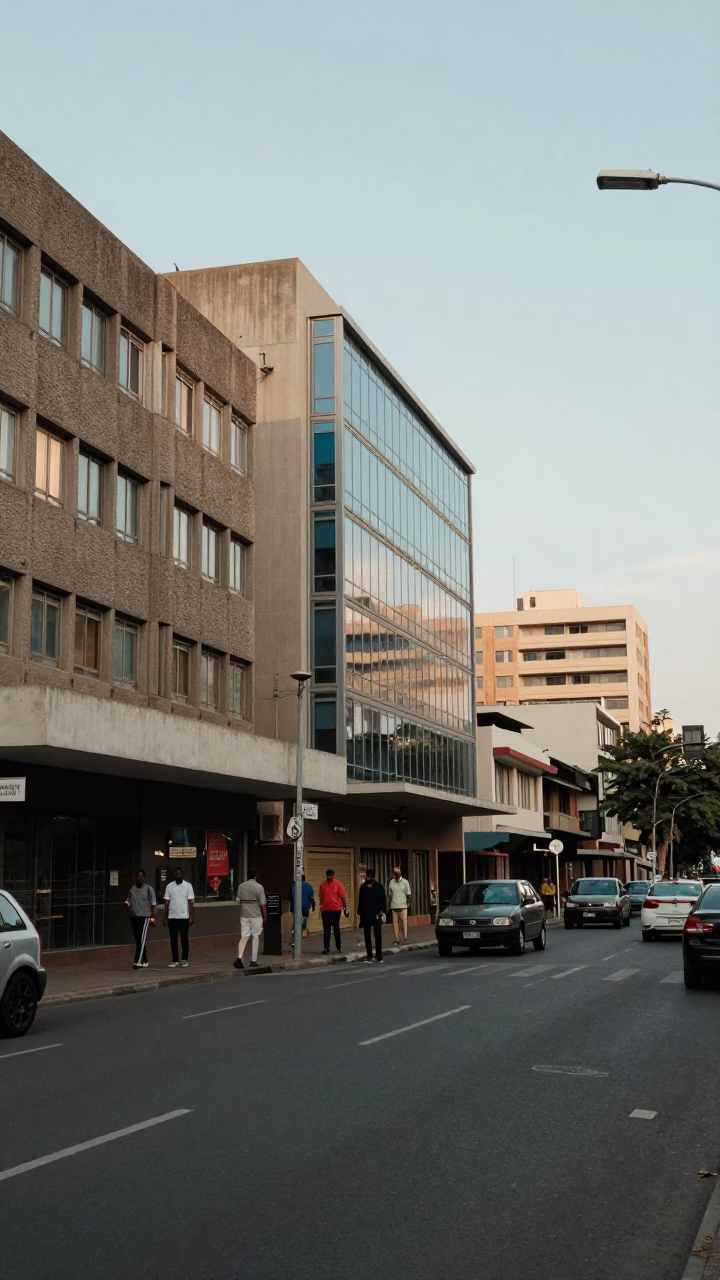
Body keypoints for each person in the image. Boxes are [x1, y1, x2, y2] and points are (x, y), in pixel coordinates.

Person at [234, 868, 267, 970]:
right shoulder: (259, 887)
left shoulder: (241, 886)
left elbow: (238, 899)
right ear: (256, 876)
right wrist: (265, 916)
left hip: (244, 913)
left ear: (247, 876)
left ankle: (239, 958)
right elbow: (262, 903)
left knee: (244, 936)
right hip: (256, 914)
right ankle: (253, 960)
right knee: (255, 936)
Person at [163, 866, 195, 967]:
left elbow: (191, 902)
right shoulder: (169, 886)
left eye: (180, 873)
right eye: (176, 874)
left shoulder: (188, 886)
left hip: (184, 917)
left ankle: (185, 959)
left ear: (182, 874)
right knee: (173, 939)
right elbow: (166, 902)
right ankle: (175, 960)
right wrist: (165, 916)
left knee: (184, 939)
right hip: (172, 917)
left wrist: (191, 916)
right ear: (174, 875)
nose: (178, 875)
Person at [125, 869, 156, 968]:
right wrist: (128, 906)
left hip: (145, 917)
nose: (139, 878)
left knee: (142, 939)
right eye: (138, 876)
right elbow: (128, 902)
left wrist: (153, 917)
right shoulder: (131, 890)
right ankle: (145, 959)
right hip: (135, 917)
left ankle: (138, 961)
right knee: (139, 939)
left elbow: (153, 904)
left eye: (141, 876)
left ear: (144, 877)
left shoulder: (149, 889)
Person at [357, 868, 387, 963]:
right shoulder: (363, 887)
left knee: (378, 935)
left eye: (369, 877)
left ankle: (379, 955)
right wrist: (359, 911)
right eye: (367, 876)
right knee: (367, 935)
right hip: (366, 914)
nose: (368, 878)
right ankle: (369, 955)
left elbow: (384, 900)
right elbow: (360, 901)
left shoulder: (379, 887)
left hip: (377, 914)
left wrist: (383, 911)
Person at [318, 868, 347, 954]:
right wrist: (320, 908)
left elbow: (342, 897)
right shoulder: (322, 885)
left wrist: (345, 908)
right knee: (326, 930)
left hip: (336, 909)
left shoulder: (338, 884)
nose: (329, 878)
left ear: (334, 876)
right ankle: (326, 948)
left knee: (336, 929)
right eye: (328, 876)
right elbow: (321, 897)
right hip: (325, 910)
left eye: (331, 876)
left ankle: (338, 947)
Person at [387, 866, 412, 946]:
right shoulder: (391, 882)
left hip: (403, 906)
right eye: (395, 874)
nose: (396, 875)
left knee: (404, 922)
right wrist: (389, 905)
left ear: (400, 874)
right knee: (395, 924)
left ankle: (405, 938)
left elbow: (408, 894)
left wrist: (408, 904)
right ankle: (397, 939)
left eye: (397, 873)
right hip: (394, 906)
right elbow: (390, 895)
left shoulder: (405, 882)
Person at [289, 873, 315, 943]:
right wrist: (313, 907)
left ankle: (294, 938)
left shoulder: (294, 885)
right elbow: (311, 898)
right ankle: (302, 934)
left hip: (296, 908)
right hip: (305, 908)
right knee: (304, 922)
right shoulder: (308, 886)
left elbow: (291, 898)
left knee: (295, 923)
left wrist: (291, 909)